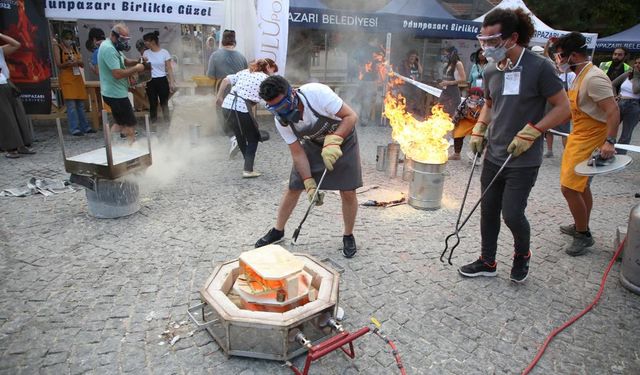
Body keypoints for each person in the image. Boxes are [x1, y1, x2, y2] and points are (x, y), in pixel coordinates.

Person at [457, 8, 570, 282]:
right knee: (488, 211)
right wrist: (480, 128)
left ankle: (522, 255)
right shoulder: (491, 69)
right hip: (494, 153)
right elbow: (490, 103)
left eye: (493, 41)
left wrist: (534, 131)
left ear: (513, 38)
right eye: (484, 41)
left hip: (522, 158)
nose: (487, 47)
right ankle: (487, 260)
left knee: (512, 214)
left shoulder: (539, 67)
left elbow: (563, 108)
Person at [254, 75, 361, 258]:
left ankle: (348, 234)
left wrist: (334, 141)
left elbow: (351, 116)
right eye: (276, 109)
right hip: (312, 144)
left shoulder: (318, 94)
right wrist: (309, 182)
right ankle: (278, 230)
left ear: (292, 94)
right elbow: (297, 152)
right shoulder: (281, 121)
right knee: (294, 188)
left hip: (343, 140)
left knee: (348, 191)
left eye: (284, 106)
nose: (283, 113)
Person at [553, 32, 620, 257]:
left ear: (573, 55)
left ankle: (583, 235)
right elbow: (573, 111)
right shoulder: (579, 75)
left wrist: (609, 142)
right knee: (581, 187)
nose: (559, 61)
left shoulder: (594, 78)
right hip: (578, 136)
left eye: (561, 56)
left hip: (592, 138)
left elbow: (613, 111)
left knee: (569, 188)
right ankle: (581, 224)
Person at [215, 58, 278, 178]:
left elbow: (225, 80)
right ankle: (248, 170)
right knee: (253, 138)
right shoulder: (265, 79)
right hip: (241, 107)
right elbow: (267, 100)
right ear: (268, 68)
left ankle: (248, 164)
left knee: (240, 135)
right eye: (273, 71)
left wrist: (219, 97)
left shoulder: (244, 72)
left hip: (227, 105)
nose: (272, 74)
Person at [98, 23, 146, 142]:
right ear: (114, 35)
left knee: (120, 123)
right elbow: (117, 74)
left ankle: (110, 145)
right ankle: (132, 150)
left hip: (114, 92)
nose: (125, 42)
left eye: (126, 39)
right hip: (116, 94)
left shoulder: (113, 46)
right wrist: (136, 69)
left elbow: (124, 61)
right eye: (123, 39)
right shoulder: (109, 49)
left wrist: (138, 61)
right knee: (130, 124)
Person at [207, 29, 248, 157]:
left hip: (222, 88)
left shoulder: (215, 56)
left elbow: (210, 76)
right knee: (237, 115)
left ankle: (233, 138)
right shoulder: (241, 56)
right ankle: (240, 139)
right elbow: (246, 74)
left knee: (222, 115)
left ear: (222, 41)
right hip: (240, 89)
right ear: (234, 41)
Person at [0, 32, 35, 158]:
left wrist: (0, 35)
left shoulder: (0, 50)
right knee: (6, 118)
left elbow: (16, 44)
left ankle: (22, 144)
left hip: (7, 82)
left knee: (18, 114)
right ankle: (11, 148)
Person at [54, 29, 93, 136]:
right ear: (62, 39)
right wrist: (68, 63)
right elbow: (58, 64)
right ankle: (74, 128)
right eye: (67, 38)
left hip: (77, 77)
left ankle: (85, 126)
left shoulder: (74, 47)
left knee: (80, 104)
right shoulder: (58, 47)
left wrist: (77, 62)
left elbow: (82, 62)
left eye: (70, 38)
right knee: (71, 105)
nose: (69, 40)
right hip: (66, 78)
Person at [143, 31, 175, 124]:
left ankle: (167, 123)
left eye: (146, 41)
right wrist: (143, 80)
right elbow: (144, 68)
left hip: (162, 80)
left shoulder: (164, 52)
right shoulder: (146, 53)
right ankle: (153, 124)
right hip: (150, 81)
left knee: (164, 103)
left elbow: (169, 68)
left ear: (153, 41)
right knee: (153, 104)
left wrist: (171, 82)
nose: (145, 43)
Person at [611, 56, 640, 154]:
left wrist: (636, 76)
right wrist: (615, 96)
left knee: (626, 134)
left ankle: (619, 155)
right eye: (636, 63)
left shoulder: (636, 77)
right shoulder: (627, 74)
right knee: (610, 128)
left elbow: (635, 90)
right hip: (620, 103)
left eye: (639, 63)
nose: (636, 65)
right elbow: (613, 84)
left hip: (634, 106)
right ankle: (606, 150)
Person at [451, 87, 485, 160]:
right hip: (466, 121)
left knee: (478, 138)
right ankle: (456, 154)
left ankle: (476, 157)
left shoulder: (484, 104)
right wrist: (453, 123)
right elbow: (458, 112)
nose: (475, 96)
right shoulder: (465, 102)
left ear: (481, 96)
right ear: (470, 94)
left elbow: (487, 116)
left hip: (478, 122)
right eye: (473, 94)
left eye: (477, 95)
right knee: (458, 134)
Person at [439, 46, 466, 118]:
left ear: (452, 54)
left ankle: (451, 124)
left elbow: (463, 79)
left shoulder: (458, 63)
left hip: (453, 90)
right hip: (445, 89)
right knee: (441, 106)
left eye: (446, 54)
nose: (445, 56)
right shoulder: (447, 64)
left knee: (451, 109)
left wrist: (448, 83)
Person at [398, 50, 424, 116]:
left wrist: (418, 62)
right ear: (408, 56)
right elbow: (401, 74)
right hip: (407, 86)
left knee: (416, 100)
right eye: (412, 56)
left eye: (415, 57)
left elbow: (421, 71)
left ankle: (413, 113)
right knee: (407, 101)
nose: (413, 58)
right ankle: (406, 113)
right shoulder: (403, 63)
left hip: (415, 87)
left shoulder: (416, 64)